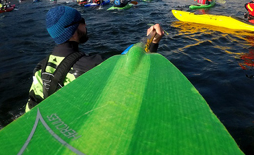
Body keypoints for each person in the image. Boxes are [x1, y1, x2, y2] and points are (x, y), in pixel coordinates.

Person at [25, 6, 163, 112]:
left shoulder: (40, 68)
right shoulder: (92, 66)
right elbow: (134, 74)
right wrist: (153, 41)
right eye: (82, 21)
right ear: (72, 31)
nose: (86, 25)